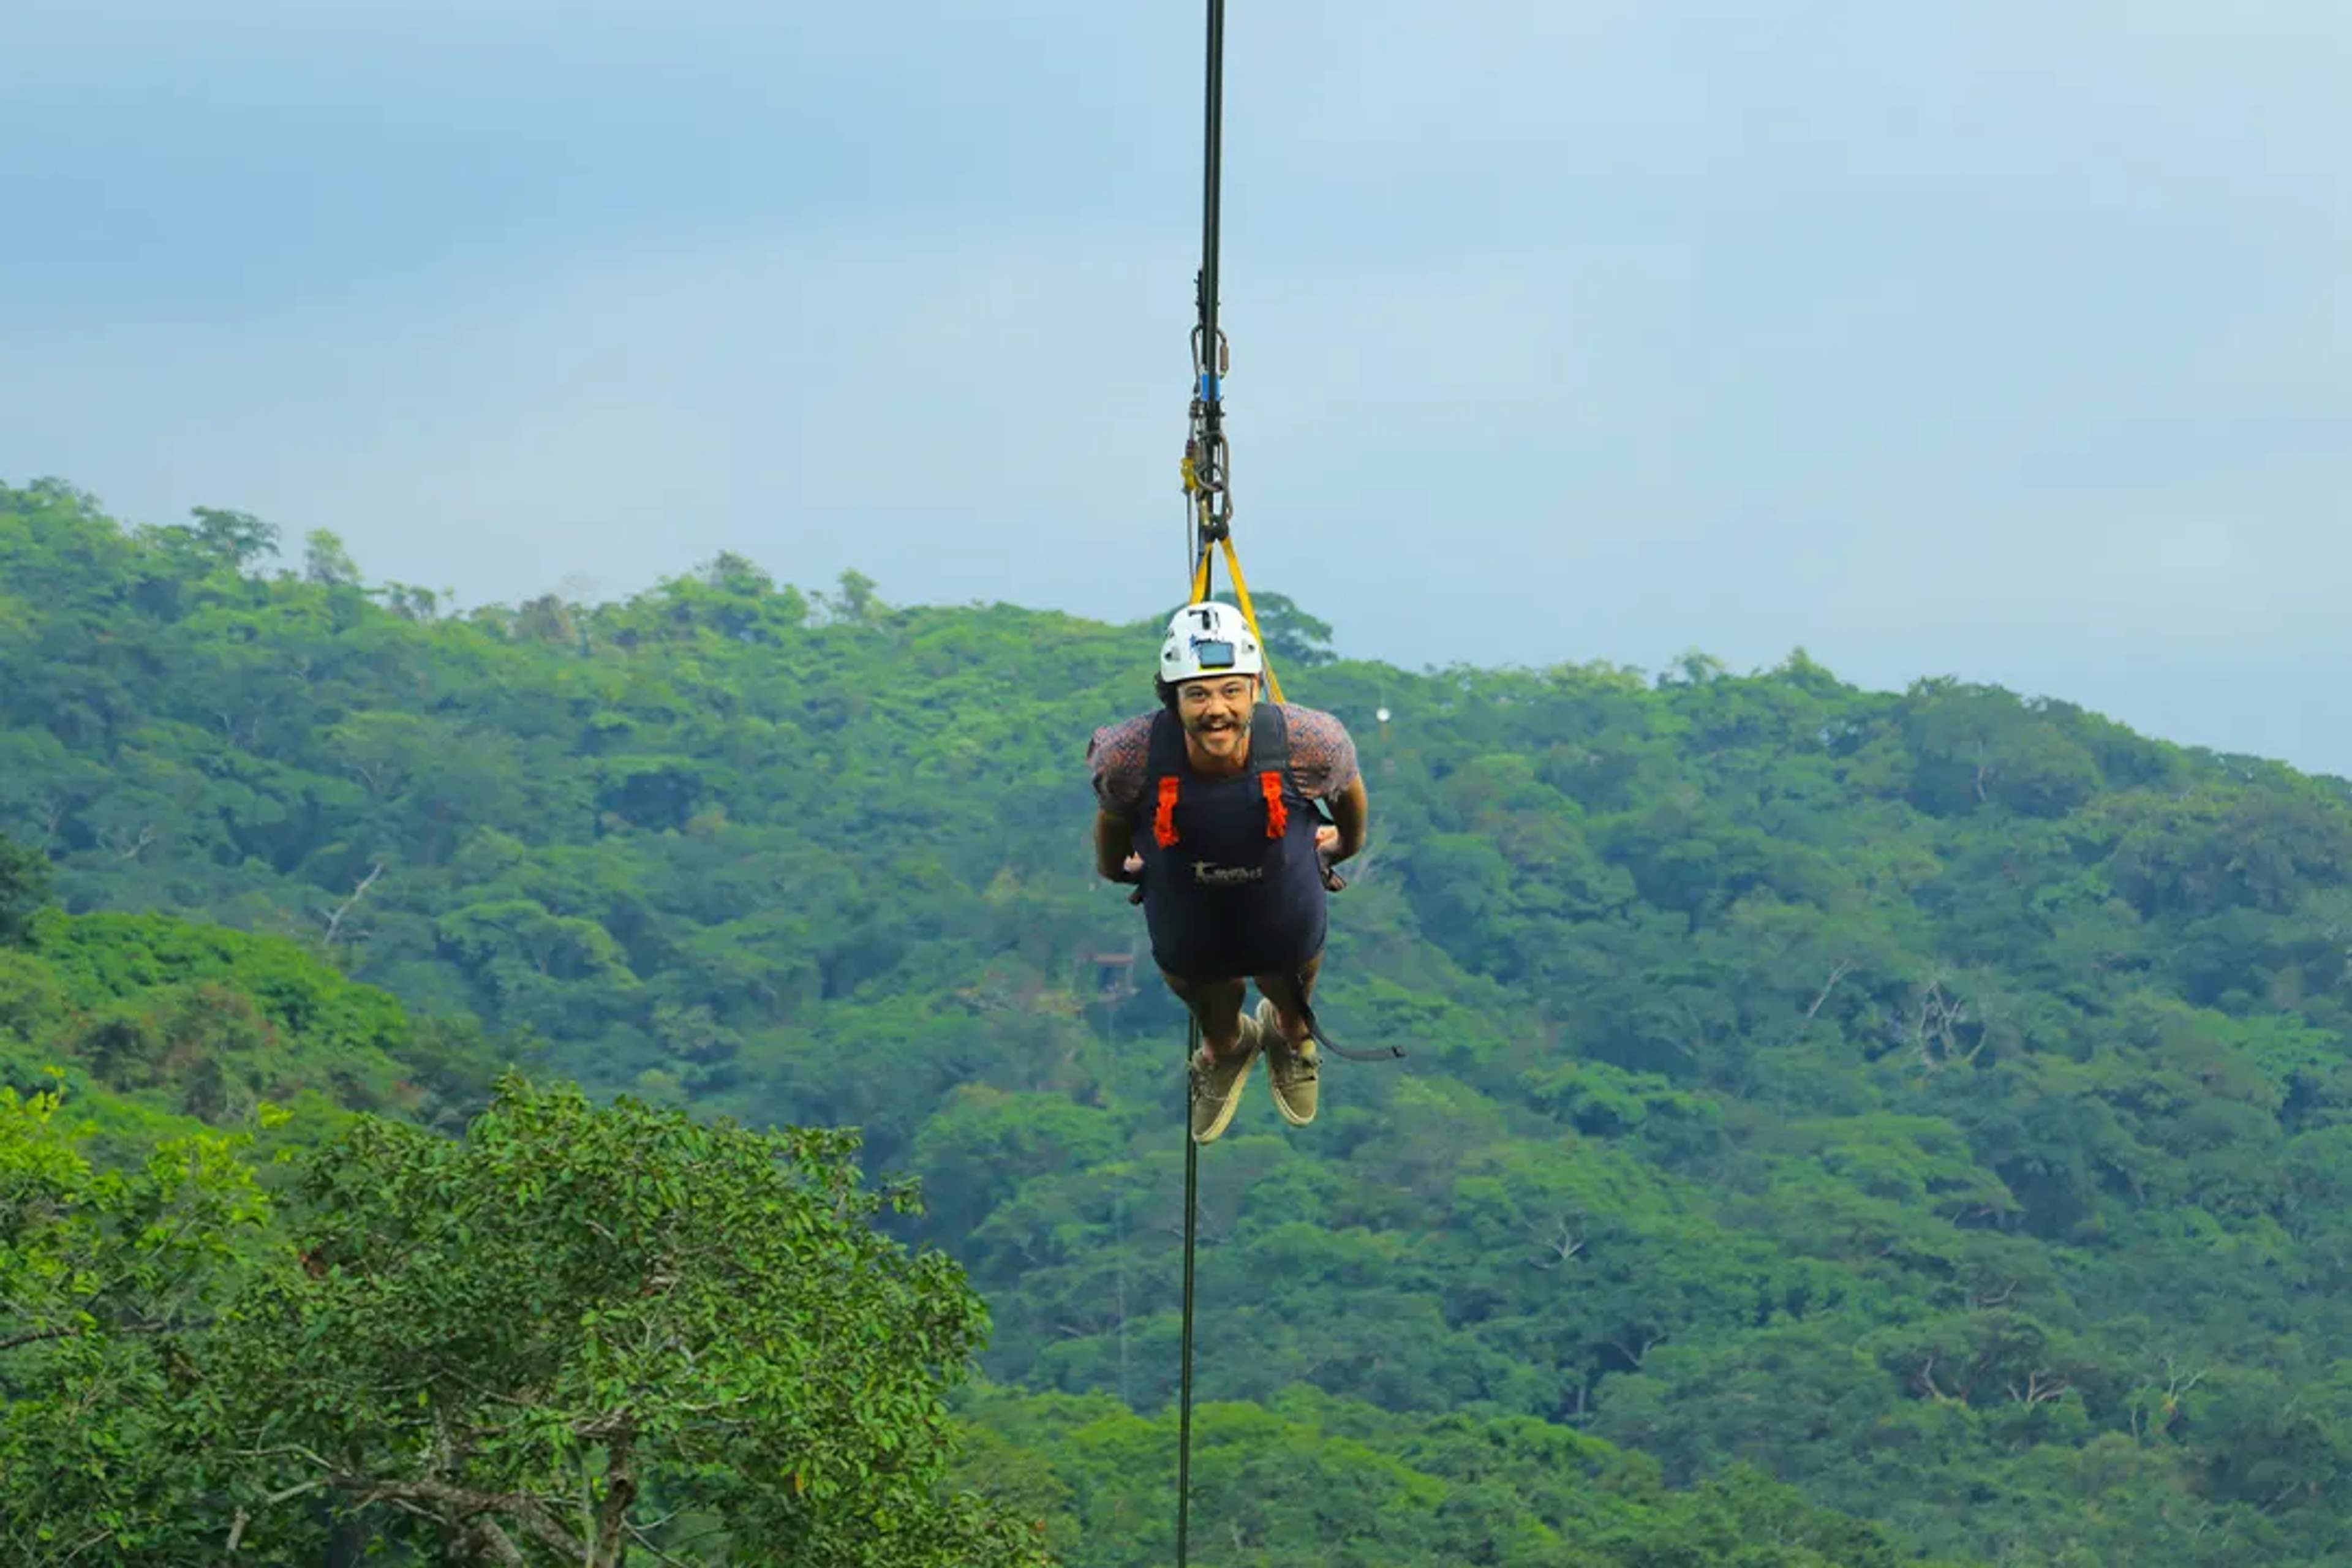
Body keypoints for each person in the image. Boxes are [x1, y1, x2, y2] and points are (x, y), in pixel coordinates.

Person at [1085, 601, 1370, 1143]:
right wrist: (1116, 868)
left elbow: (1350, 791)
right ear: (1172, 698)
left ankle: (1291, 1036)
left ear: (1256, 689)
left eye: (1231, 691)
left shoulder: (1310, 741)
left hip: (1281, 898)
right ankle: (1226, 1047)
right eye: (1198, 694)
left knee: (1288, 969)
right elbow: (1113, 817)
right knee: (1200, 979)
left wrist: (1347, 845)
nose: (1217, 710)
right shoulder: (1129, 755)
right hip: (1188, 903)